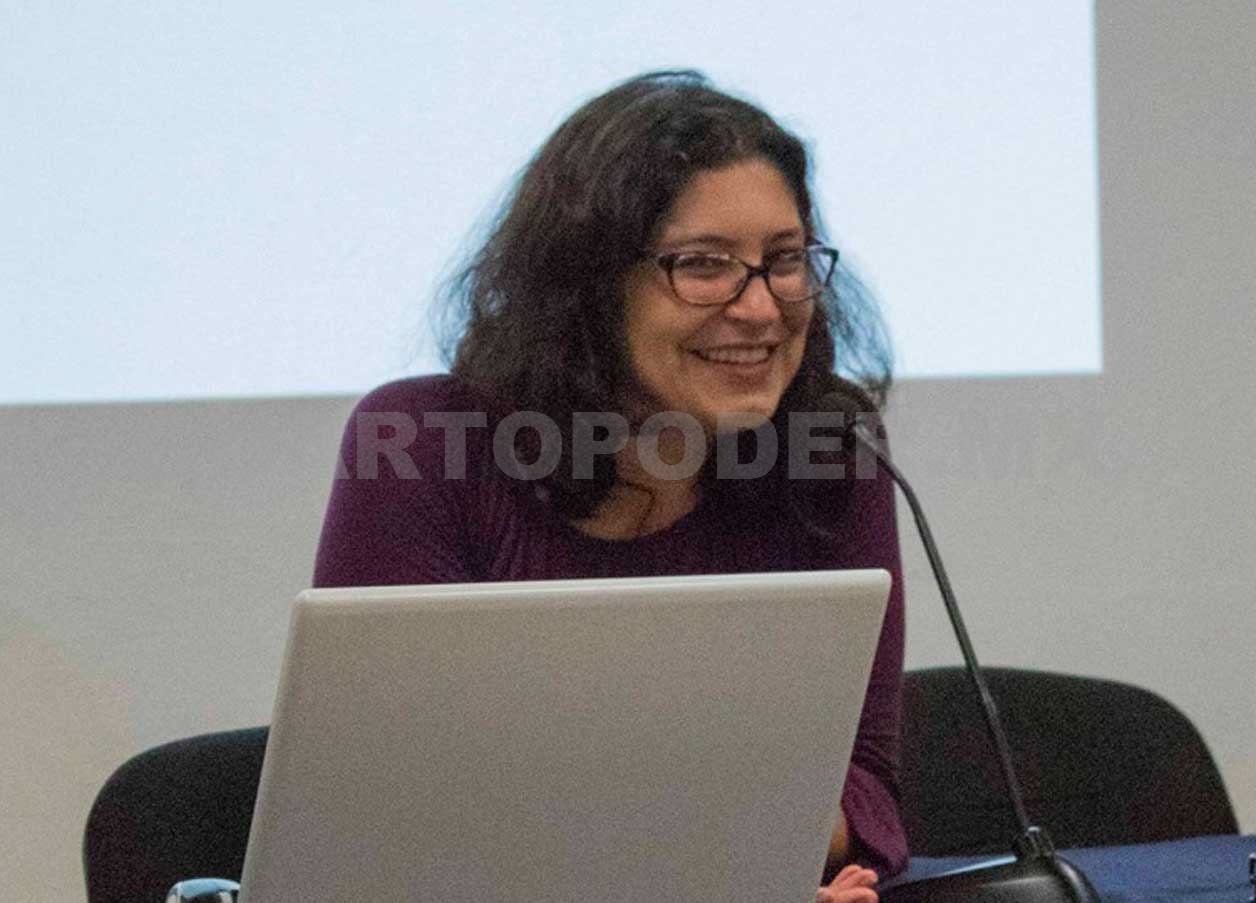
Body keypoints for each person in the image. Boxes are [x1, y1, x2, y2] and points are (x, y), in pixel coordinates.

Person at [314, 70, 906, 903]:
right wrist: (717, 857)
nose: (762, 308)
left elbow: (867, 792)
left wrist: (733, 862)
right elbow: (383, 809)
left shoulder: (828, 451)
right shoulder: (420, 445)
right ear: (588, 284)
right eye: (703, 265)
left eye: (784, 260)